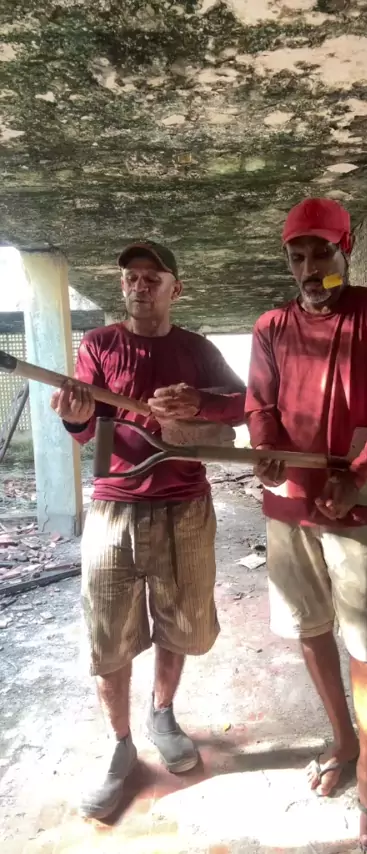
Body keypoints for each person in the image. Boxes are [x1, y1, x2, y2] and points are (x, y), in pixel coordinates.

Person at [245, 198, 367, 853]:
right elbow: (259, 404)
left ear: (344, 250)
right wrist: (265, 447)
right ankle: (343, 740)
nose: (309, 267)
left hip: (358, 505)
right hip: (289, 503)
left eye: (321, 252)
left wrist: (360, 475)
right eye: (297, 256)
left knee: (362, 639)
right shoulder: (270, 326)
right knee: (309, 627)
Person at [50, 240, 246, 820]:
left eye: (152, 278)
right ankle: (119, 745)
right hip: (114, 504)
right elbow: (88, 429)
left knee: (180, 621)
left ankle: (162, 713)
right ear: (123, 287)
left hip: (185, 504)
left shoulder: (197, 349)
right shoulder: (98, 345)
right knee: (108, 631)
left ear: (174, 290)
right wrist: (76, 418)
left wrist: (200, 402)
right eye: (131, 278)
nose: (139, 286)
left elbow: (243, 403)